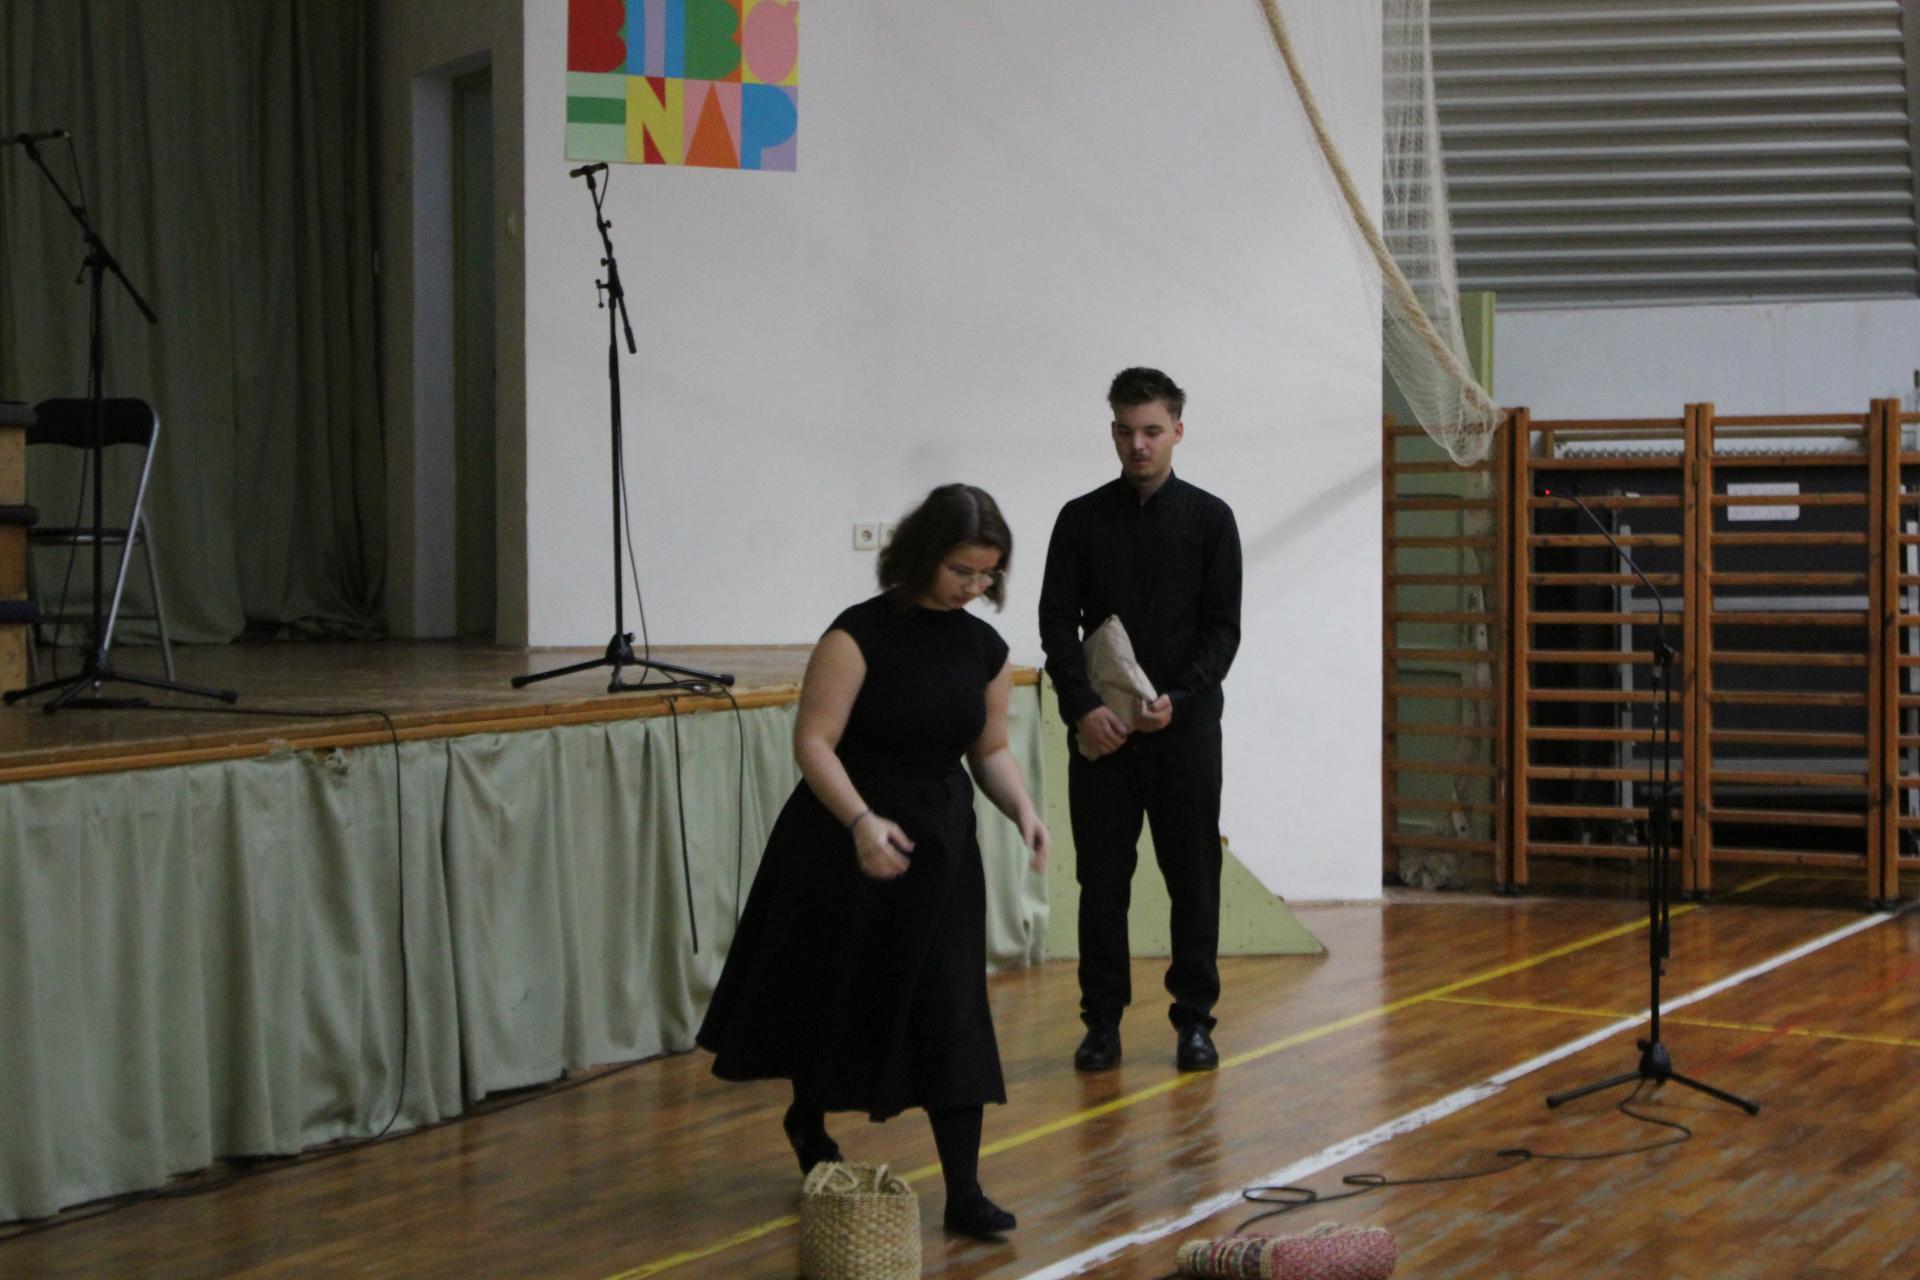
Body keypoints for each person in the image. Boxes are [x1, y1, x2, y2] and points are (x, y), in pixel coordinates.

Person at [697, 483, 1049, 1241]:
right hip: (842, 837)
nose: (975, 587)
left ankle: (964, 1192)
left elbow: (988, 748)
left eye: (987, 574)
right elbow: (813, 742)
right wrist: (860, 821)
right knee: (835, 992)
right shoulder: (856, 636)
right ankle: (808, 1120)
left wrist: (1022, 809)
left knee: (952, 1006)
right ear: (922, 556)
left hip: (939, 845)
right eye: (961, 570)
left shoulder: (985, 650)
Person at [1038, 366, 1242, 1074]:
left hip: (1185, 733)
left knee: (1194, 878)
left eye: (1152, 431)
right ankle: (1101, 1023)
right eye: (1126, 431)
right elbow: (1056, 624)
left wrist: (1180, 698)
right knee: (1102, 882)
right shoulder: (1080, 519)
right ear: (1113, 432)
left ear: (1178, 431)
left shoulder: (1211, 520)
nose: (1138, 445)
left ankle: (1195, 1022)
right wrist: (1083, 708)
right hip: (1104, 735)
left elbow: (1223, 629)